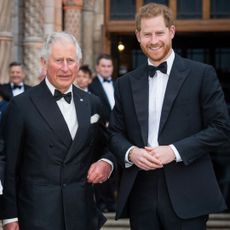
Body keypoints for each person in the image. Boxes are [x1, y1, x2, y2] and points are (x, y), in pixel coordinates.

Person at [109, 3, 230, 230]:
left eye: (159, 33)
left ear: (171, 32)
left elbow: (221, 127)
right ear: (138, 36)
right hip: (140, 192)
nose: (153, 40)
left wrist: (173, 151)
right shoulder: (124, 83)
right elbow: (115, 132)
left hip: (189, 190)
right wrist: (131, 153)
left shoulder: (202, 74)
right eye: (147, 34)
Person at [2, 31, 116, 230]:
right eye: (58, 61)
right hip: (36, 216)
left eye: (70, 61)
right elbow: (7, 163)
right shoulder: (20, 106)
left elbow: (110, 145)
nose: (65, 68)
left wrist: (106, 163)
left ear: (78, 64)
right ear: (44, 63)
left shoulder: (92, 103)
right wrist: (9, 215)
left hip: (81, 214)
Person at [88, 53, 117, 212]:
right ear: (98, 68)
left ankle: (112, 202)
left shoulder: (119, 84)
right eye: (103, 66)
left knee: (116, 166)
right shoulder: (91, 86)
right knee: (100, 168)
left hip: (117, 133)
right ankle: (102, 203)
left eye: (109, 66)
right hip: (100, 134)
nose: (106, 69)